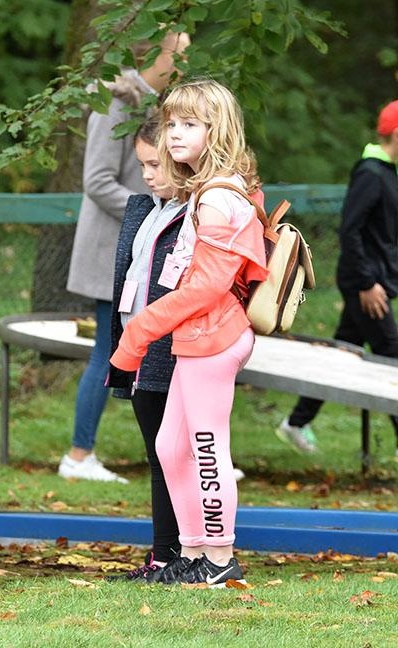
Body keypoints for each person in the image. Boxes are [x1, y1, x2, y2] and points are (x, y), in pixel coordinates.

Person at [110, 80, 268, 586]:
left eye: (189, 125)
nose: (173, 134)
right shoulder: (209, 189)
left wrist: (136, 337)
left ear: (215, 130)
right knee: (171, 447)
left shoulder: (217, 197)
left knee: (205, 449)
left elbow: (205, 288)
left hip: (213, 339)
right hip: (196, 338)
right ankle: (193, 553)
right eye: (171, 123)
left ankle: (219, 560)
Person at [60, 31, 191, 483]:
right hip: (112, 253)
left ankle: (178, 452)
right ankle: (79, 455)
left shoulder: (159, 106)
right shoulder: (115, 102)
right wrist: (155, 213)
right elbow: (97, 182)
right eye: (180, 53)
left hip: (145, 253)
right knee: (108, 351)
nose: (184, 62)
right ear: (156, 54)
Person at [277, 99, 398, 458]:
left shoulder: (387, 173)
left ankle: (296, 422)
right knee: (392, 356)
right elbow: (350, 231)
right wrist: (366, 283)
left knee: (343, 352)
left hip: (373, 282)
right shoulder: (371, 173)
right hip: (365, 286)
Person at [106, 116, 188, 578]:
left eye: (156, 164)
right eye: (142, 165)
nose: (148, 175)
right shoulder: (145, 208)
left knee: (174, 455)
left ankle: (185, 554)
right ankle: (163, 555)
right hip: (137, 348)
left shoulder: (197, 213)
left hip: (170, 351)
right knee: (157, 455)